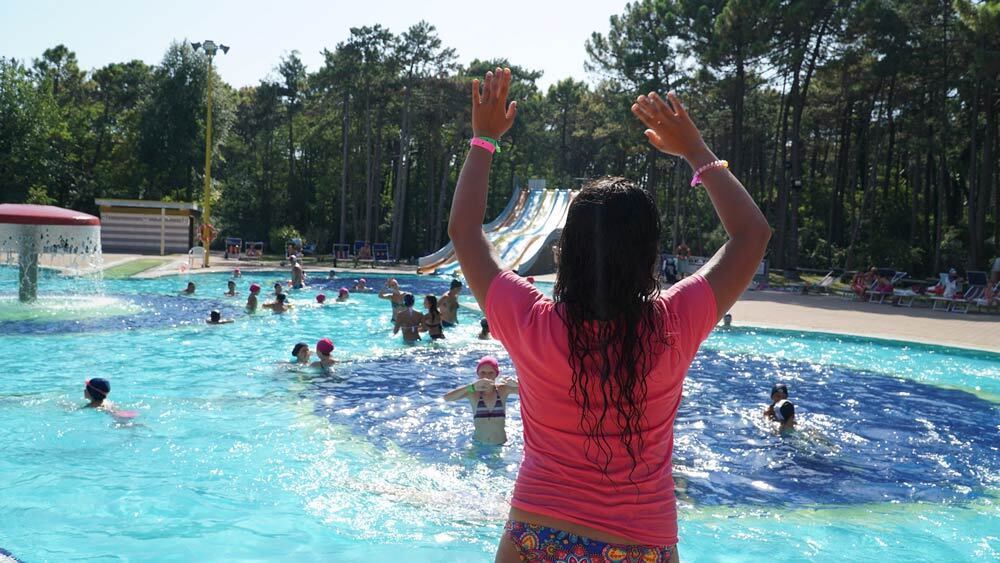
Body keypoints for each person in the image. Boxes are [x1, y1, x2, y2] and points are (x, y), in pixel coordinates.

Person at [448, 68, 770, 561]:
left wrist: (484, 139)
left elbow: (465, 231)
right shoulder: (674, 324)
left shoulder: (530, 321)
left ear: (565, 251)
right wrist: (695, 150)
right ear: (649, 256)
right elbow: (752, 234)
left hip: (537, 536)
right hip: (641, 544)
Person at [442, 356, 518, 445]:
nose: (486, 376)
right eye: (483, 372)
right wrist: (471, 387)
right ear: (478, 373)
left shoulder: (503, 390)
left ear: (496, 374)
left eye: (491, 373)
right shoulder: (473, 392)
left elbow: (530, 393)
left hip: (501, 445)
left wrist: (516, 384)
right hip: (478, 445)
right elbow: (447, 398)